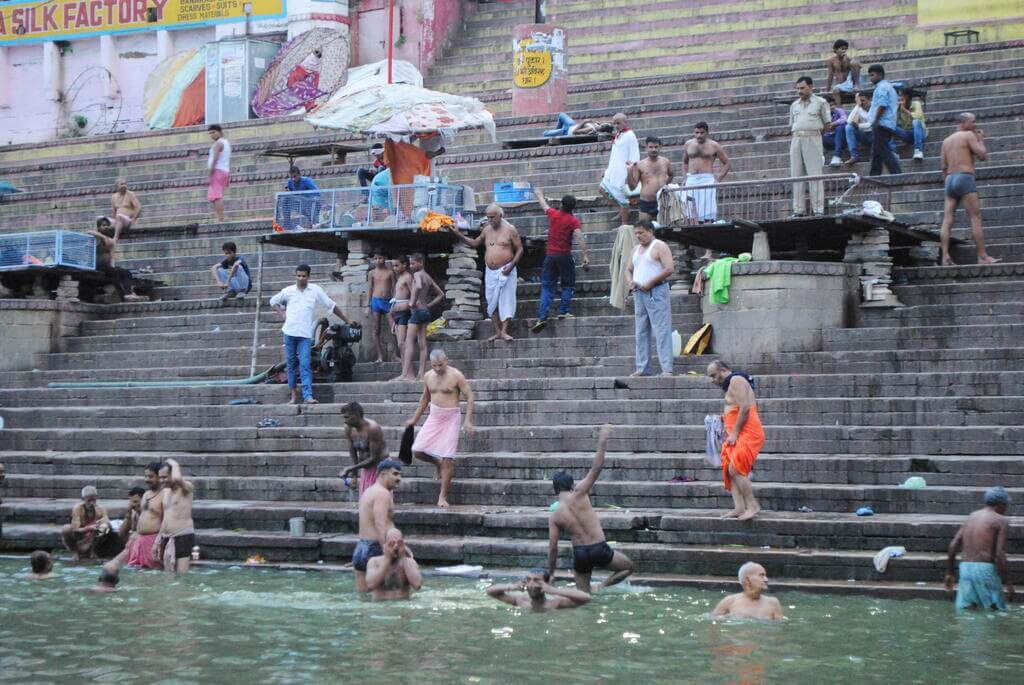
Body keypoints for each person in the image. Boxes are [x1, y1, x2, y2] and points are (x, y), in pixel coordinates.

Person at [548, 425, 634, 593]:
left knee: (582, 598)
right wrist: (602, 440)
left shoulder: (554, 516)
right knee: (628, 568)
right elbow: (597, 467)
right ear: (572, 485)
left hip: (580, 554)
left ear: (555, 490)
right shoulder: (580, 492)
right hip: (599, 548)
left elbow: (553, 548)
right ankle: (601, 587)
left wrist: (551, 574)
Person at [269, 264, 358, 404]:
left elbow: (331, 305)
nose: (301, 278)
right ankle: (293, 395)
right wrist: (282, 313)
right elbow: (273, 301)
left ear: (308, 277)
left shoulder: (315, 290)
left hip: (305, 335)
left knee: (305, 364)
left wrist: (347, 320)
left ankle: (308, 395)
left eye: (303, 276)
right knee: (291, 365)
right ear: (295, 276)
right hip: (289, 332)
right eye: (298, 276)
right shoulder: (288, 291)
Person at [404, 349, 475, 509]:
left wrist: (468, 420)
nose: (437, 368)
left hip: (451, 418)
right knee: (417, 450)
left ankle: (442, 496)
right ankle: (437, 463)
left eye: (440, 365)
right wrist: (414, 419)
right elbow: (424, 399)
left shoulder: (456, 375)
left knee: (447, 459)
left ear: (446, 361)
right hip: (434, 416)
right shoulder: (428, 376)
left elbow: (469, 396)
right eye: (434, 365)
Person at [452, 205, 524, 342]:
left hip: (506, 269)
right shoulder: (486, 230)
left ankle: (504, 331)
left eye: (492, 217)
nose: (490, 220)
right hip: (490, 271)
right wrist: (458, 233)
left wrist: (511, 266)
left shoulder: (510, 230)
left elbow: (520, 250)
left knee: (507, 300)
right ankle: (497, 332)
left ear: (500, 216)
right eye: (488, 217)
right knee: (491, 301)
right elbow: (474, 243)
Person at [707, 360, 764, 520]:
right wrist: (723, 420)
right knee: (728, 468)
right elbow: (736, 409)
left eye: (714, 375)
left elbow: (745, 408)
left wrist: (735, 433)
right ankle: (739, 507)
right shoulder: (731, 383)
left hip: (748, 432)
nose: (712, 380)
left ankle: (752, 505)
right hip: (736, 433)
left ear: (723, 370)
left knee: (736, 469)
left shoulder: (736, 380)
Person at [939, 113, 998, 266]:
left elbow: (943, 167)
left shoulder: (946, 141)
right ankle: (982, 257)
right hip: (965, 176)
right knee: (975, 217)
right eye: (973, 122)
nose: (975, 125)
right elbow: (982, 155)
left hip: (950, 179)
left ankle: (945, 256)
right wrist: (980, 139)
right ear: (964, 123)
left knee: (947, 220)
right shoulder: (968, 135)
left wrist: (950, 180)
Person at [531, 187, 589, 333]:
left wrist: (539, 194)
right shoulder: (573, 221)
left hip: (550, 256)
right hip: (564, 256)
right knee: (567, 284)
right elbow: (579, 237)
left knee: (547, 287)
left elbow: (544, 205)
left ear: (561, 205)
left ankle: (542, 317)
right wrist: (585, 255)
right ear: (573, 208)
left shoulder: (554, 214)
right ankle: (564, 311)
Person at [946, 486, 1013, 611]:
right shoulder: (1001, 520)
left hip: (965, 568)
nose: (1006, 508)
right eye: (1006, 505)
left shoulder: (972, 516)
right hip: (985, 570)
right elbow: (999, 554)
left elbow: (953, 546)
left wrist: (950, 573)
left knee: (969, 611)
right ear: (1000, 504)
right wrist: (1008, 583)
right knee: (996, 610)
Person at [626, 221, 675, 377]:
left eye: (641, 232)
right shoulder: (636, 249)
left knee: (661, 329)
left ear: (650, 231)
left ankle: (666, 368)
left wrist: (651, 282)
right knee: (641, 331)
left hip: (656, 291)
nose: (638, 236)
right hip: (639, 292)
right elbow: (628, 269)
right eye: (636, 233)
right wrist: (630, 281)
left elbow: (669, 268)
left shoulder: (659, 246)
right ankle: (642, 368)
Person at [105, 462, 165, 573]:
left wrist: (158, 541)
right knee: (136, 574)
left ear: (159, 476)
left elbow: (166, 520)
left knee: (152, 574)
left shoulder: (165, 495)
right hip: (140, 540)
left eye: (150, 476)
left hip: (154, 540)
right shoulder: (146, 494)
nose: (147, 479)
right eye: (145, 476)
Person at [353, 459, 403, 592]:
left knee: (362, 597)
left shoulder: (368, 491)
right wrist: (387, 550)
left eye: (400, 475)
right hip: (375, 548)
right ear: (383, 474)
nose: (399, 478)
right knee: (383, 598)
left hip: (361, 548)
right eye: (395, 474)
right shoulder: (383, 494)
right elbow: (380, 523)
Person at [394, 253, 444, 381]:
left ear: (421, 262)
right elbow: (440, 294)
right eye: (410, 263)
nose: (411, 266)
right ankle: (421, 373)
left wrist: (412, 302)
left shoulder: (417, 275)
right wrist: (429, 305)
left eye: (413, 263)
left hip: (417, 312)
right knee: (422, 343)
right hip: (425, 311)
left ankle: (405, 374)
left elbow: (419, 286)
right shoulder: (428, 276)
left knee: (409, 342)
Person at [789, 76, 831, 216]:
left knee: (815, 175)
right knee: (796, 175)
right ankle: (798, 210)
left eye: (802, 88)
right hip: (796, 139)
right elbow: (792, 125)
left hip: (813, 137)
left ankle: (818, 209)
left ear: (811, 87)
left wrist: (815, 134)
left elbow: (827, 124)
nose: (800, 91)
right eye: (798, 88)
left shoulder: (821, 102)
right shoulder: (794, 105)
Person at [681, 122, 731, 226]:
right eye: (697, 132)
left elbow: (727, 163)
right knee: (689, 209)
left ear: (707, 133)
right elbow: (685, 162)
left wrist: (718, 180)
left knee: (707, 210)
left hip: (707, 179)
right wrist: (685, 177)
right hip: (691, 179)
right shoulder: (688, 144)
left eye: (702, 133)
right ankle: (692, 230)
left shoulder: (714, 145)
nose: (699, 135)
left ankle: (706, 229)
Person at [340, 401, 389, 498]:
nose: (345, 421)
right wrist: (354, 477)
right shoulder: (348, 429)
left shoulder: (372, 429)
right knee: (366, 504)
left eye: (347, 417)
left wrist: (351, 469)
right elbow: (353, 453)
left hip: (380, 469)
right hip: (366, 469)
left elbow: (374, 458)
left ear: (356, 415)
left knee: (379, 503)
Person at [599, 112, 640, 226]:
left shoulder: (630, 135)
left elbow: (634, 156)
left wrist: (630, 174)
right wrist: (608, 170)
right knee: (602, 189)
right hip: (613, 171)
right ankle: (621, 211)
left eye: (618, 123)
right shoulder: (618, 135)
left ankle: (624, 224)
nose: (616, 125)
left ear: (625, 123)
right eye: (614, 123)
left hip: (624, 173)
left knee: (623, 199)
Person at [155, 459, 195, 574]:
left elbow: (178, 479)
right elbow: (166, 517)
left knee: (181, 576)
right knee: (169, 576)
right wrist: (158, 539)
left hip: (183, 536)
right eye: (160, 477)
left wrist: (175, 464)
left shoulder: (186, 488)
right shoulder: (166, 492)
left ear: (173, 474)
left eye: (165, 477)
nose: (162, 481)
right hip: (166, 537)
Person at [486, 568, 592, 611]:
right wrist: (511, 587)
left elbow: (587, 598)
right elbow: (490, 591)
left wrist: (553, 590)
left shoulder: (556, 602)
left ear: (546, 584)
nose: (531, 584)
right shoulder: (520, 600)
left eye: (536, 580)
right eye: (528, 580)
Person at [90, 218, 143, 302]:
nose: (106, 227)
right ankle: (123, 296)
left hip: (106, 266)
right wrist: (103, 237)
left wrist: (113, 267)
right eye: (103, 225)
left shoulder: (111, 241)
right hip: (95, 264)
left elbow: (112, 257)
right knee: (113, 271)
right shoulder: (94, 237)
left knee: (126, 273)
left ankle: (128, 293)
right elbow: (88, 232)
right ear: (98, 227)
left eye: (107, 225)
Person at [365, 528, 423, 601]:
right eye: (391, 543)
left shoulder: (410, 562)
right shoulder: (374, 562)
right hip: (380, 607)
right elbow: (371, 585)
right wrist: (387, 559)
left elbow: (417, 585)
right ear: (384, 545)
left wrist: (403, 557)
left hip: (402, 607)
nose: (395, 546)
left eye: (399, 543)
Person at [711, 562, 784, 620]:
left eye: (765, 576)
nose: (766, 579)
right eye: (761, 575)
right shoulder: (729, 601)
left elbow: (781, 629)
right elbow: (713, 623)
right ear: (748, 580)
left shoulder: (773, 603)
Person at [626, 136, 675, 222]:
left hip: (663, 201)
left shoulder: (665, 162)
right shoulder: (640, 164)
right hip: (646, 202)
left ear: (660, 147)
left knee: (665, 230)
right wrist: (629, 171)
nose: (653, 149)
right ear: (646, 148)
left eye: (656, 147)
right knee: (644, 229)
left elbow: (671, 175)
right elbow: (632, 187)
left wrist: (664, 185)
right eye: (651, 147)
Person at [865, 64, 902, 176]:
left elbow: (882, 105)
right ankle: (874, 176)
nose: (871, 78)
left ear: (880, 74)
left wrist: (876, 121)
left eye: (873, 75)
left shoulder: (882, 88)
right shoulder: (888, 87)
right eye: (869, 76)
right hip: (886, 124)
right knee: (877, 151)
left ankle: (897, 174)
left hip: (881, 124)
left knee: (883, 150)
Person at [61, 485, 111, 561]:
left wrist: (100, 522)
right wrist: (88, 528)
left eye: (94, 500)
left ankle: (92, 550)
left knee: (105, 527)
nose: (92, 503)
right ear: (83, 499)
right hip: (80, 535)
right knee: (66, 529)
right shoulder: (77, 509)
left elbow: (107, 520)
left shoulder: (100, 508)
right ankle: (76, 552)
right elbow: (75, 529)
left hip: (93, 535)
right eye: (89, 500)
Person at [366, 251, 397, 362]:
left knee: (394, 328)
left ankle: (395, 354)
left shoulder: (390, 272)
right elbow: (369, 288)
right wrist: (367, 305)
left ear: (385, 258)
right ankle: (380, 356)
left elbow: (394, 288)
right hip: (375, 301)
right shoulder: (372, 273)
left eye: (380, 258)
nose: (378, 261)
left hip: (388, 302)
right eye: (376, 258)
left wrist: (394, 303)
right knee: (376, 329)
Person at [390, 255, 413, 364]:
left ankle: (407, 369)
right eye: (393, 266)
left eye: (397, 266)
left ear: (404, 264)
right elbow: (397, 296)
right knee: (400, 343)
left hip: (404, 313)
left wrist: (409, 306)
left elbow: (414, 294)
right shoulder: (399, 278)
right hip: (397, 314)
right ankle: (405, 369)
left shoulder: (408, 277)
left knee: (402, 343)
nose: (395, 268)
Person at [893, 91, 927, 161]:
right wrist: (895, 110)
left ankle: (918, 150)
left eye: (902, 98)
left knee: (916, 122)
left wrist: (905, 110)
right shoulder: (899, 108)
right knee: (890, 126)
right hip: (907, 135)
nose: (900, 100)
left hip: (920, 134)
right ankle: (893, 152)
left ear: (907, 98)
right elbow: (894, 122)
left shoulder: (916, 104)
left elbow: (917, 116)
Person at [207, 124, 231, 222]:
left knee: (216, 196)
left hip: (217, 171)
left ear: (220, 132)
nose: (212, 135)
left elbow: (215, 159)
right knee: (214, 195)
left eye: (214, 132)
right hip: (224, 171)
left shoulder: (219, 144)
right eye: (210, 133)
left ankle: (221, 219)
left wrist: (210, 172)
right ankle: (219, 218)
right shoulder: (226, 143)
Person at [843, 92, 874, 165]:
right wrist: (857, 105)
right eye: (860, 101)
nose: (861, 103)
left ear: (869, 100)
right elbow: (849, 121)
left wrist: (858, 125)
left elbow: (870, 124)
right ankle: (854, 156)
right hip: (864, 135)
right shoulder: (859, 107)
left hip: (875, 134)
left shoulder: (875, 107)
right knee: (848, 127)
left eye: (863, 100)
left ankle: (874, 156)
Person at [824, 100, 848, 167]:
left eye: (832, 105)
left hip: (843, 138)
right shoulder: (823, 114)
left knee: (840, 127)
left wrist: (833, 124)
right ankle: (820, 157)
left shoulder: (839, 110)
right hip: (831, 140)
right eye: (829, 106)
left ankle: (836, 156)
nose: (831, 107)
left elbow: (844, 119)